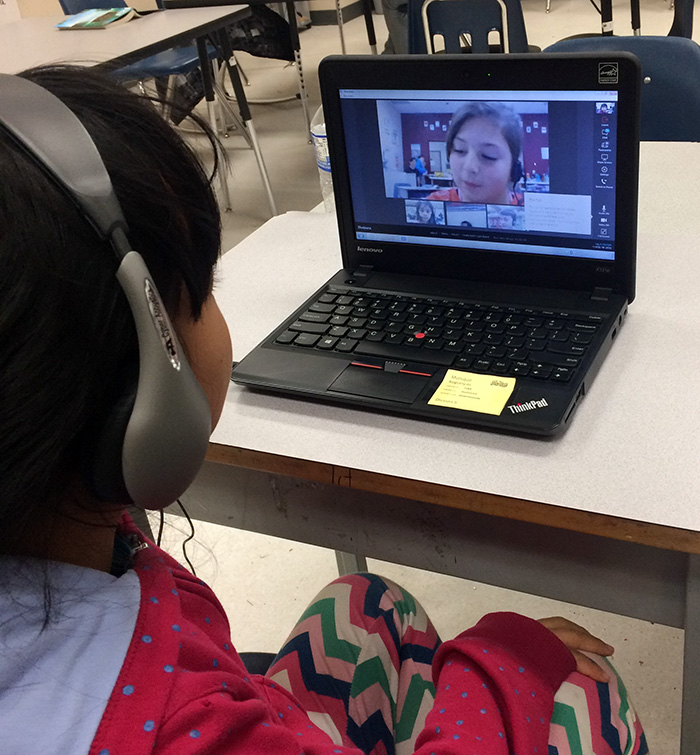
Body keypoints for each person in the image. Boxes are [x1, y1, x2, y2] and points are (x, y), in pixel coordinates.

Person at [0, 65, 648, 755]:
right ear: (151, 358)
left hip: (228, 691)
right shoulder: (190, 734)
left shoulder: (52, 516)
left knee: (365, 601)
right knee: (585, 690)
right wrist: (499, 656)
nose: (467, 164)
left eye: (489, 155)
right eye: (207, 284)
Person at [427, 102, 525, 206]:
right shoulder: (433, 205)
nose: (469, 167)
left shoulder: (530, 212)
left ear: (513, 168)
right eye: (460, 150)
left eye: (488, 156)